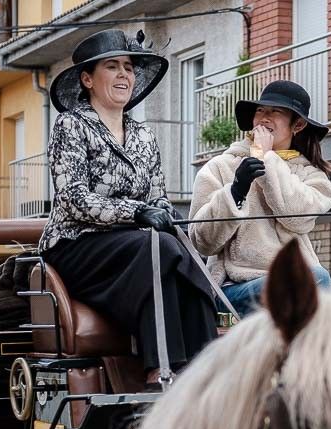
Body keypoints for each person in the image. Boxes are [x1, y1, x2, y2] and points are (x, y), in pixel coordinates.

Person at [38, 28, 217, 386]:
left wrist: (164, 213)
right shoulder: (70, 125)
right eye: (113, 66)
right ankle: (160, 368)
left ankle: (208, 368)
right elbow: (73, 199)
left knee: (178, 246)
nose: (124, 74)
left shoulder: (144, 136)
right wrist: (136, 214)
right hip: (75, 246)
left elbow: (157, 196)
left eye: (129, 68)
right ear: (87, 79)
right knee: (158, 246)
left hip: (133, 248)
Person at [189, 80, 331, 316]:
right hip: (235, 288)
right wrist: (236, 190)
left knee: (315, 281)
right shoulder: (219, 168)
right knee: (314, 281)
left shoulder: (312, 176)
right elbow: (202, 241)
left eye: (275, 111)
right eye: (260, 111)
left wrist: (266, 158)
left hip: (298, 279)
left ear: (297, 124)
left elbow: (298, 219)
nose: (264, 118)